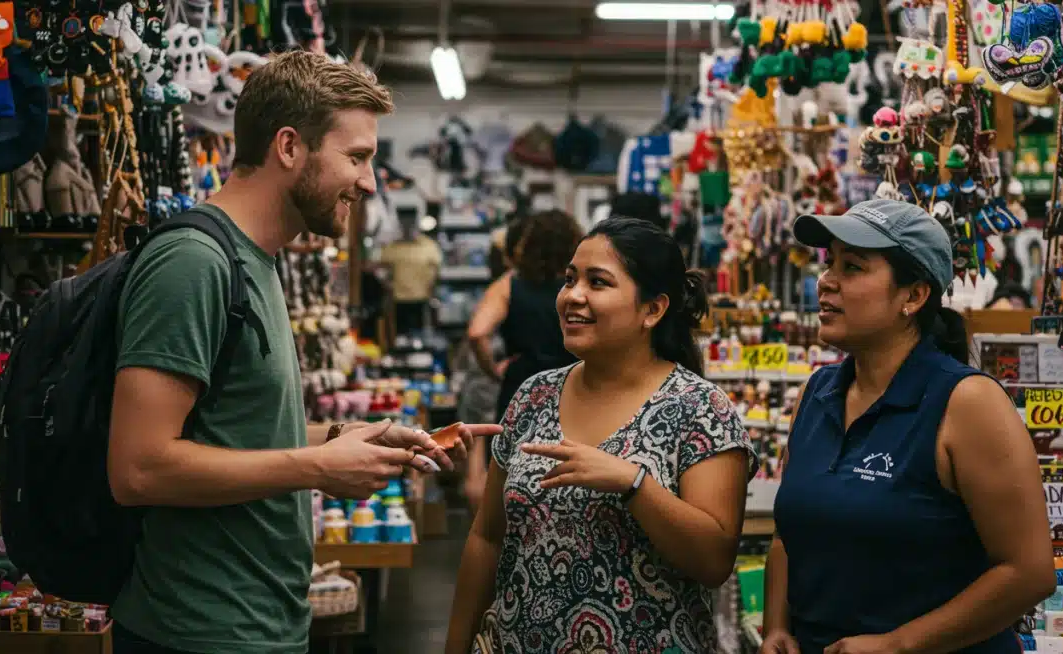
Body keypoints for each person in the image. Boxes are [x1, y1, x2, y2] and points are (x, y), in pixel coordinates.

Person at [106, 51, 499, 654]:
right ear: (289, 146)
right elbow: (138, 468)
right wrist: (317, 468)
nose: (369, 182)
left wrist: (346, 435)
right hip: (200, 634)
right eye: (357, 157)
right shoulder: (194, 263)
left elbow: (233, 429)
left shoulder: (255, 262)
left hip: (261, 623)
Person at [447, 216, 754, 654]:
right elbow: (487, 537)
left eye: (598, 282)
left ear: (653, 309)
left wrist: (633, 484)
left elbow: (714, 560)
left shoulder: (700, 410)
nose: (573, 296)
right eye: (570, 279)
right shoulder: (534, 396)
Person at [762, 200, 1055, 654]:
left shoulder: (966, 402)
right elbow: (790, 533)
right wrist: (776, 627)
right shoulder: (817, 393)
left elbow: (1029, 572)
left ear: (914, 296)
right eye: (829, 263)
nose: (827, 281)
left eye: (853, 267)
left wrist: (900, 644)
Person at [462, 209, 582, 508]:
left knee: (511, 472)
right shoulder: (579, 287)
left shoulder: (510, 284)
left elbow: (477, 332)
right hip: (577, 383)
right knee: (571, 468)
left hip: (522, 384)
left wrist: (493, 370)